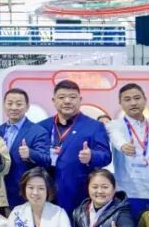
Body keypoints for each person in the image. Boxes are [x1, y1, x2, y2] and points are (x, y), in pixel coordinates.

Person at [37, 80, 112, 215]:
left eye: (72, 97)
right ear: (54, 100)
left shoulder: (94, 126)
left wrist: (92, 156)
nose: (67, 101)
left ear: (80, 100)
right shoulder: (41, 126)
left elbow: (106, 156)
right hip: (44, 193)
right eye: (61, 97)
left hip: (78, 194)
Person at [106, 83, 149, 221]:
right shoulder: (114, 125)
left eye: (137, 98)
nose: (133, 103)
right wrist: (123, 146)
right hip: (128, 191)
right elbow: (115, 136)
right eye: (127, 99)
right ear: (120, 103)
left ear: (145, 100)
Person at [0, 88, 51, 210]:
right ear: (4, 105)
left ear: (27, 106)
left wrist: (30, 153)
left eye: (19, 104)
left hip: (23, 193)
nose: (14, 107)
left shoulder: (38, 131)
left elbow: (46, 160)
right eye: (10, 103)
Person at [7, 168, 74, 227]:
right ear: (24, 188)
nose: (35, 192)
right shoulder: (16, 213)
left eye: (41, 188)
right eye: (30, 187)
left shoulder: (58, 212)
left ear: (48, 190)